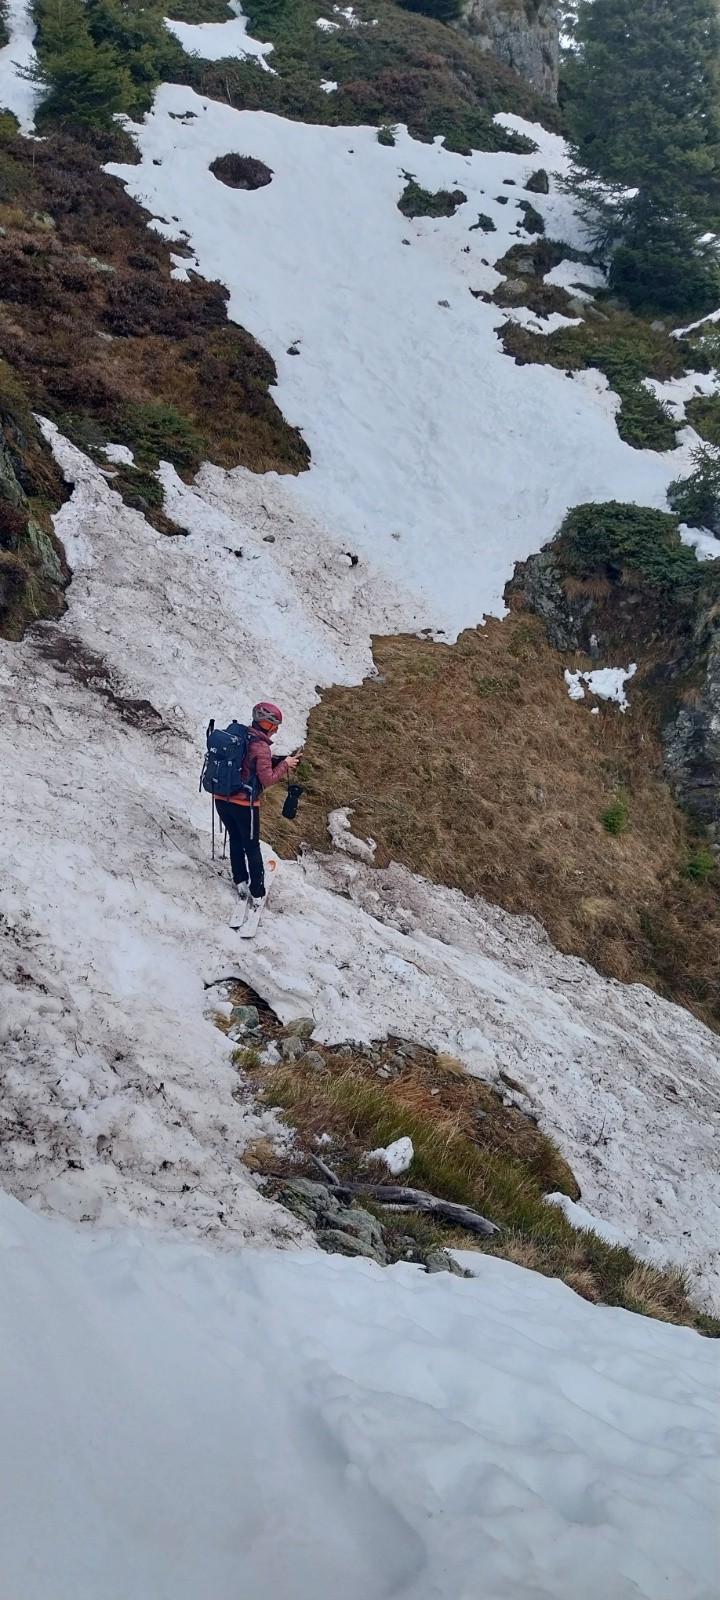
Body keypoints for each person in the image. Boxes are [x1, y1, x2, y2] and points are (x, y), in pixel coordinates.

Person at [214, 702, 301, 908]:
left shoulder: (240, 735)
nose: (277, 730)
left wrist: (278, 759)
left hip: (221, 798)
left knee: (235, 839)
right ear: (268, 725)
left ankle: (241, 882)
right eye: (276, 726)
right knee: (252, 848)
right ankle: (258, 893)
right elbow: (267, 779)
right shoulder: (261, 747)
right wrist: (285, 764)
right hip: (245, 805)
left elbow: (247, 764)